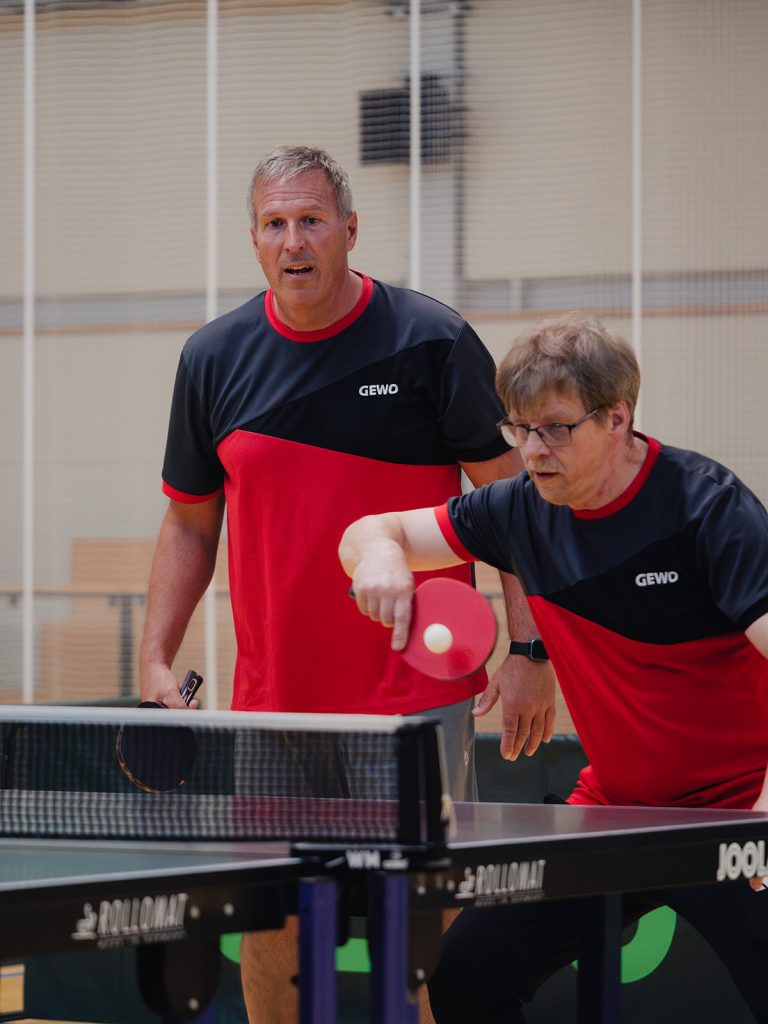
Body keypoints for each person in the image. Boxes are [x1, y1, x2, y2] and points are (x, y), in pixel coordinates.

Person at [139, 145, 555, 1024]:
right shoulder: (213, 357)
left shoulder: (429, 339)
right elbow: (187, 521)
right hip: (274, 704)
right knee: (271, 927)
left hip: (415, 700)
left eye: (312, 220)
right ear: (254, 240)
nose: (295, 241)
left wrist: (528, 648)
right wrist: (155, 659)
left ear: (350, 231)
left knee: (417, 947)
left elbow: (515, 504)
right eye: (275, 224)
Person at [339, 312, 768, 1023]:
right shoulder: (519, 511)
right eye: (521, 429)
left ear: (618, 418)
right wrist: (382, 554)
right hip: (616, 812)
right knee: (466, 973)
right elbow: (369, 533)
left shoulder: (705, 507)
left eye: (556, 429)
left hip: (733, 812)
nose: (534, 451)